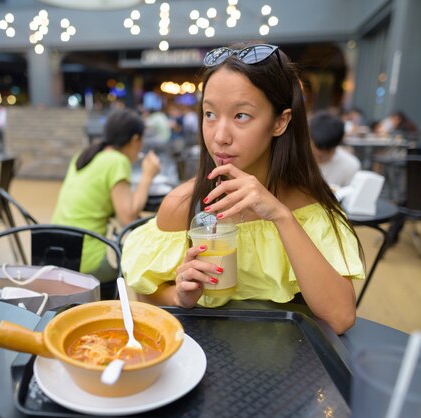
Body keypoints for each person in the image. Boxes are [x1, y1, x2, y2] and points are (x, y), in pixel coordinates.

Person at [121, 42, 364, 334]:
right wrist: (180, 296)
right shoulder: (182, 205)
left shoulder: (309, 208)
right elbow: (144, 294)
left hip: (293, 368)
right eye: (209, 114)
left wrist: (280, 216)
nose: (220, 137)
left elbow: (340, 318)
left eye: (241, 116)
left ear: (280, 122)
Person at [52, 108, 161, 285]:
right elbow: (128, 218)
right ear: (135, 139)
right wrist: (147, 175)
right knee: (148, 260)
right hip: (86, 261)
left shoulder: (84, 155)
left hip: (56, 252)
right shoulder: (117, 161)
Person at [310, 110, 361, 188]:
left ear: (336, 145)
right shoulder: (294, 158)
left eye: (327, 151)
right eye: (315, 147)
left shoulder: (350, 165)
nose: (318, 153)